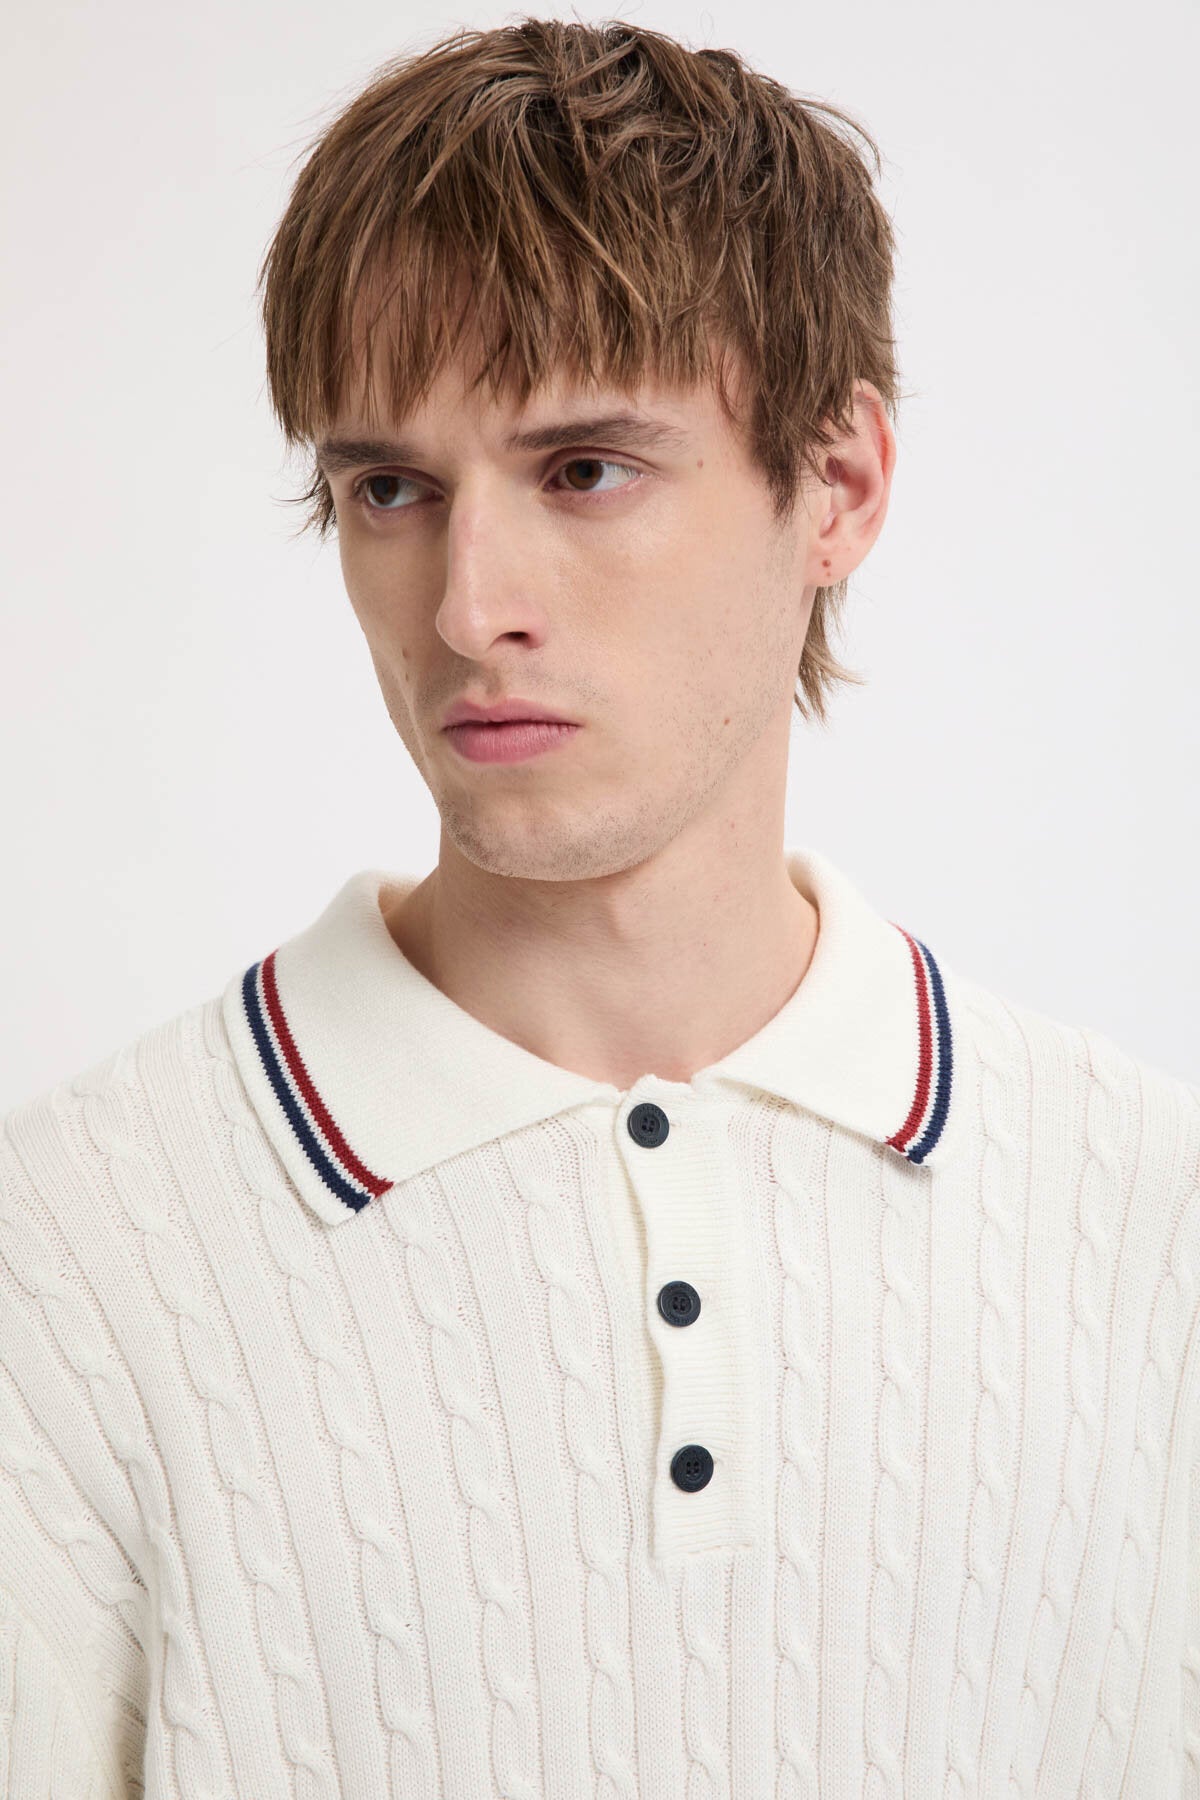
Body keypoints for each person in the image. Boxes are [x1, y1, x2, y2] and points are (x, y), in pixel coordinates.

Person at [1, 18, 1196, 1797]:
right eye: (391, 490)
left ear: (840, 486)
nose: (468, 604)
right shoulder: (71, 1258)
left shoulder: (1149, 1223)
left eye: (584, 471)